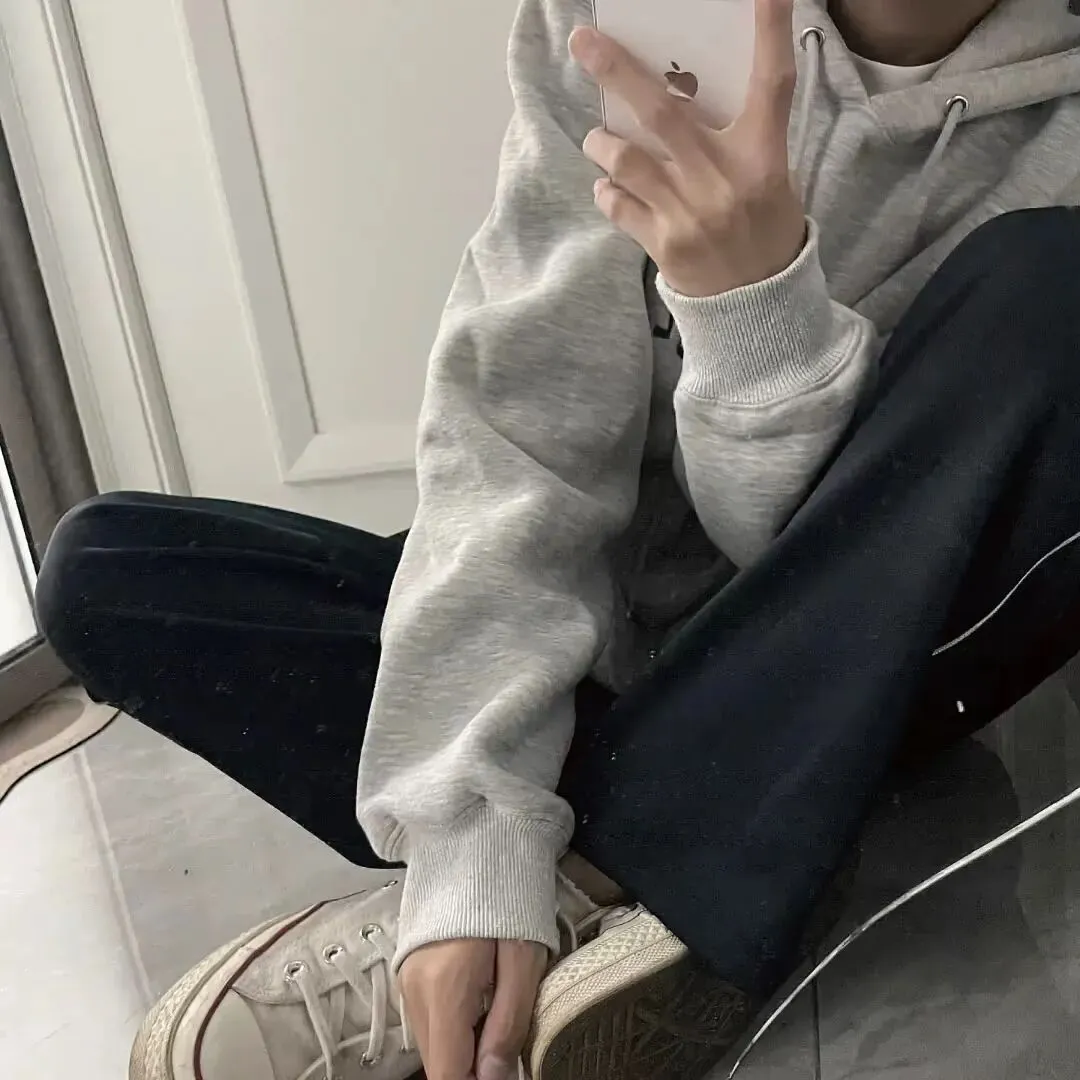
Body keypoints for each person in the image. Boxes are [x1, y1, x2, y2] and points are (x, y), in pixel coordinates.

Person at [34, 0, 1080, 1077]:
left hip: (872, 649)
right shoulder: (627, 19)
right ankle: (698, 851)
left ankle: (622, 873)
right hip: (627, 643)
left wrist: (750, 306)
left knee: (1056, 287)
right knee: (109, 570)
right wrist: (472, 836)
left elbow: (833, 559)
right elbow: (520, 429)